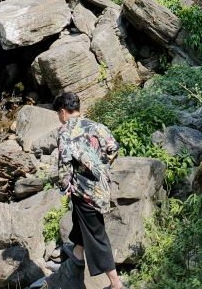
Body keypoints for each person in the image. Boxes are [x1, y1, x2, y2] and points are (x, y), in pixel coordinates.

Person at [51, 91, 124, 289]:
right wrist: (101, 166)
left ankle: (116, 284)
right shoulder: (96, 126)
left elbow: (64, 163)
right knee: (81, 223)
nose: (59, 117)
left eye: (59, 113)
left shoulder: (65, 132)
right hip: (102, 187)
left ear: (64, 112)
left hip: (84, 192)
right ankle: (76, 259)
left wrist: (65, 187)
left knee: (97, 235)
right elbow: (113, 148)